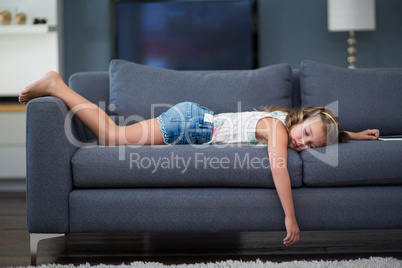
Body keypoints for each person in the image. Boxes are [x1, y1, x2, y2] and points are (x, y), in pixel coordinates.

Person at [19, 71, 380, 247]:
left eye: (313, 146)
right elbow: (279, 166)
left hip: (194, 120)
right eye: (305, 135)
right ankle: (57, 86)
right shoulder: (278, 128)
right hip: (189, 124)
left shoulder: (294, 122)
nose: (303, 144)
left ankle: (57, 86)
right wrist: (290, 215)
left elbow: (326, 132)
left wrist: (356, 135)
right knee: (111, 136)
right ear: (300, 121)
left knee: (112, 137)